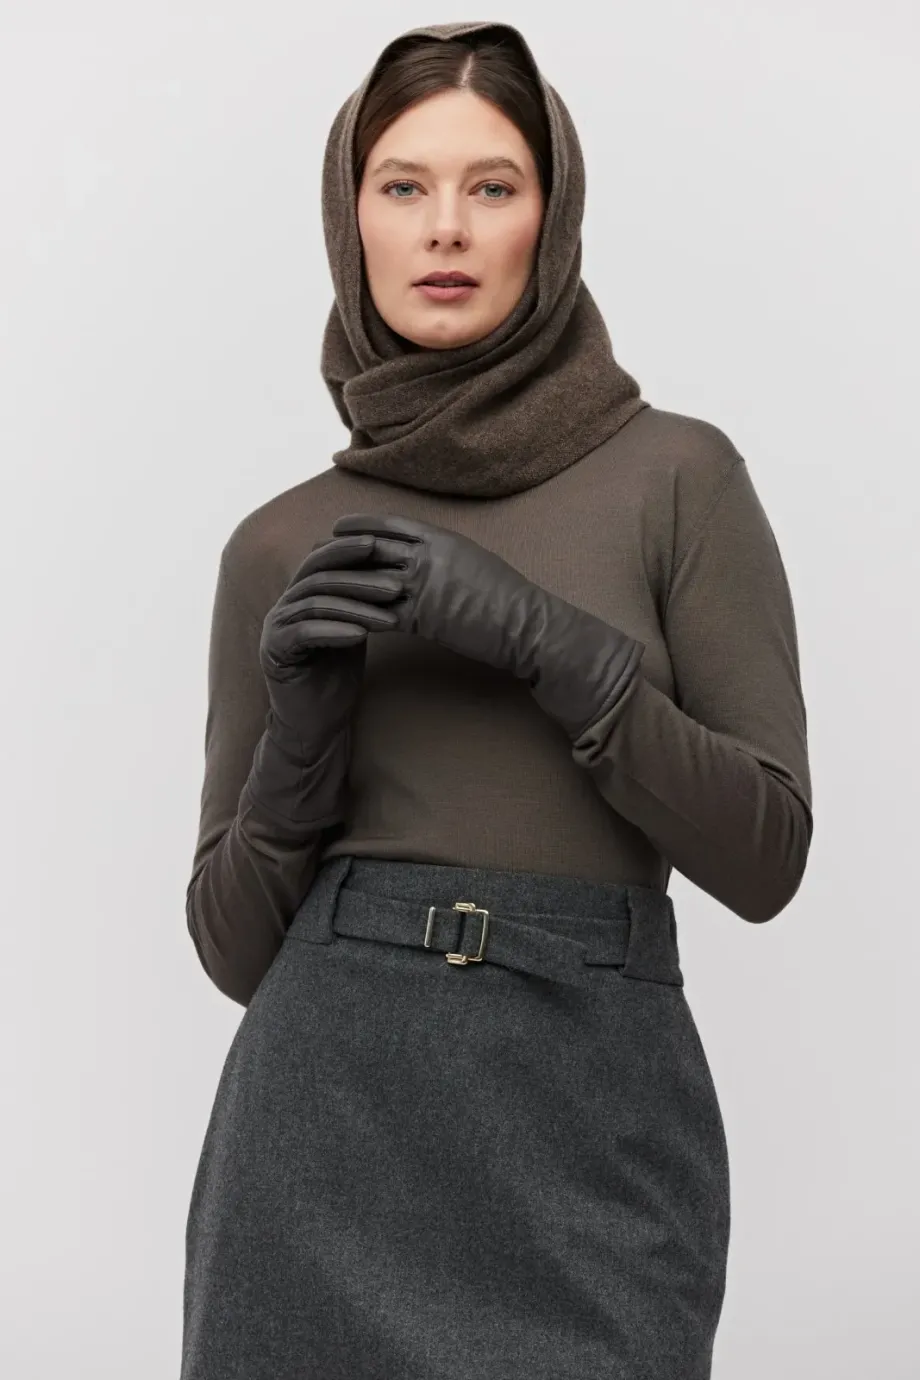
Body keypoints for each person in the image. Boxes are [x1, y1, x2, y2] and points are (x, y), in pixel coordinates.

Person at [179, 19, 813, 1380]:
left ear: (553, 215)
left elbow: (766, 857)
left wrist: (547, 644)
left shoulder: (679, 479)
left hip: (594, 1119)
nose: (446, 228)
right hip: (318, 1130)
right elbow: (234, 954)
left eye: (494, 185)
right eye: (402, 185)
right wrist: (301, 745)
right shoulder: (279, 545)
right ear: (350, 218)